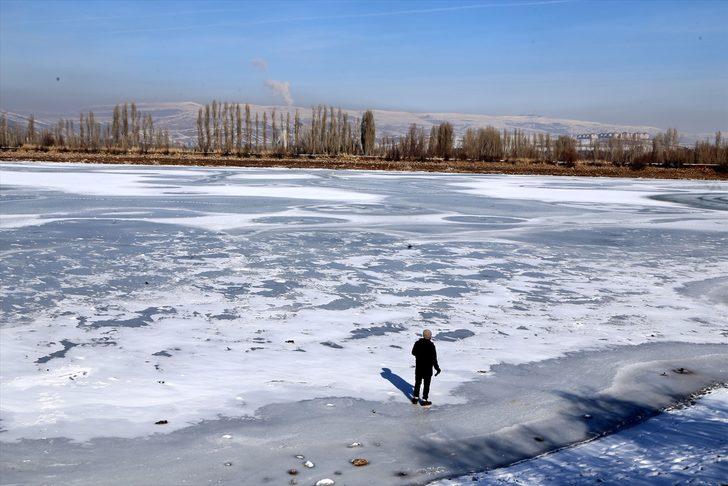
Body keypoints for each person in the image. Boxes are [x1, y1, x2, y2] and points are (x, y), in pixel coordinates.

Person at [411, 329, 441, 406]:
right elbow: (434, 358)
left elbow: (413, 352)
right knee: (426, 384)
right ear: (430, 336)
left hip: (419, 367)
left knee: (417, 383)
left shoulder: (417, 343)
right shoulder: (431, 345)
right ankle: (424, 400)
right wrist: (437, 368)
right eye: (431, 335)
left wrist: (419, 355)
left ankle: (415, 398)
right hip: (427, 368)